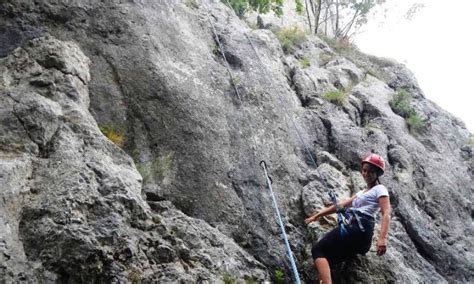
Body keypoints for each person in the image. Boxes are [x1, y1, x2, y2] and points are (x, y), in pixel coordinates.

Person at [304, 153, 391, 284]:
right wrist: (317, 216)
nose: (366, 174)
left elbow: (386, 212)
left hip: (357, 227)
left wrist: (382, 238)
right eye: (365, 170)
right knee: (327, 259)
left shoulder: (380, 188)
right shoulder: (362, 193)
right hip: (360, 236)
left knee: (317, 249)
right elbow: (341, 205)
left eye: (371, 171)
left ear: (378, 173)